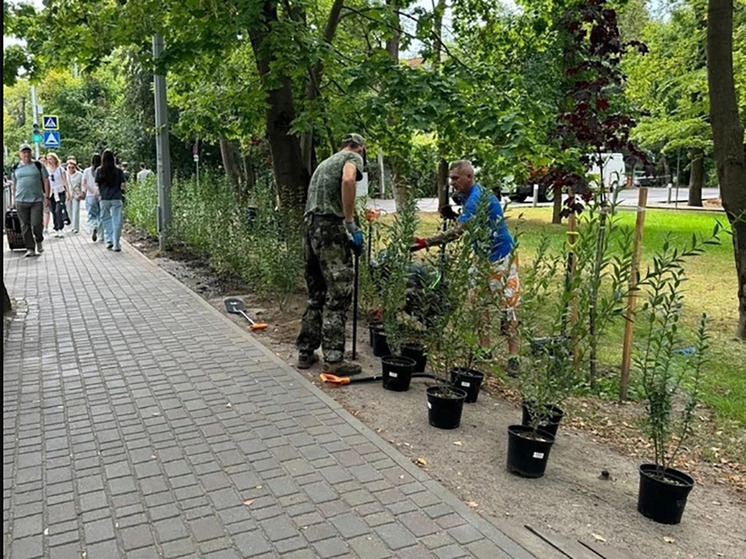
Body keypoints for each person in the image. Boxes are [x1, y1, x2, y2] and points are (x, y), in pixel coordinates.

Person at [411, 160, 521, 376]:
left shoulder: (476, 199)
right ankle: (484, 349)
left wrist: (425, 242)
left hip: (500, 256)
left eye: (455, 178)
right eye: (451, 178)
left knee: (507, 306)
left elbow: (456, 233)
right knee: (478, 303)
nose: (452, 183)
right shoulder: (468, 196)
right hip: (481, 256)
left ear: (469, 177)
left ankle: (513, 357)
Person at [295, 133, 366, 375]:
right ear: (359, 148)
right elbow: (348, 180)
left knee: (316, 294)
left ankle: (306, 351)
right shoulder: (352, 157)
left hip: (310, 228)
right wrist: (349, 223)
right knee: (339, 293)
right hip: (330, 228)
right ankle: (334, 360)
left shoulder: (325, 163)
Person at [10, 144, 50, 257]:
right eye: (24, 152)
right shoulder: (16, 167)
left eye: (28, 152)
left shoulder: (38, 165)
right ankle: (30, 248)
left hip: (36, 200)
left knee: (37, 223)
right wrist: (14, 198)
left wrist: (47, 196)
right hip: (20, 200)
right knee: (24, 225)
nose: (26, 154)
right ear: (20, 154)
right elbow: (14, 183)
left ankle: (39, 240)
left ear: (31, 153)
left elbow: (46, 180)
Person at [95, 149, 126, 252]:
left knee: (106, 219)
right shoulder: (119, 171)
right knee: (117, 221)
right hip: (116, 198)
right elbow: (123, 186)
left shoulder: (99, 170)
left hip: (104, 199)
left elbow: (97, 185)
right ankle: (116, 243)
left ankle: (109, 240)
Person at [45, 153, 70, 238]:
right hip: (51, 192)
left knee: (58, 210)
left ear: (55, 159)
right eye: (48, 159)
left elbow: (65, 181)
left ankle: (60, 228)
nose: (49, 160)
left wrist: (67, 192)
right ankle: (56, 228)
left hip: (60, 191)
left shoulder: (60, 169)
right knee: (53, 211)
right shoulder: (46, 170)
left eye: (51, 158)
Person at [82, 153, 102, 242]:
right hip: (101, 195)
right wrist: (97, 192)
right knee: (101, 215)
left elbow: (84, 183)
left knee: (91, 214)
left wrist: (91, 191)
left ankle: (93, 226)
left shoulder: (86, 171)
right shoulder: (102, 170)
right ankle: (101, 234)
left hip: (90, 196)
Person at [64, 157, 84, 233]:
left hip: (76, 194)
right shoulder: (65, 174)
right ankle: (72, 225)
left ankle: (76, 227)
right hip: (68, 194)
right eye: (69, 167)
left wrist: (82, 193)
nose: (71, 169)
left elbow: (82, 185)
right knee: (69, 210)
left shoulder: (79, 175)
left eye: (72, 167)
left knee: (75, 211)